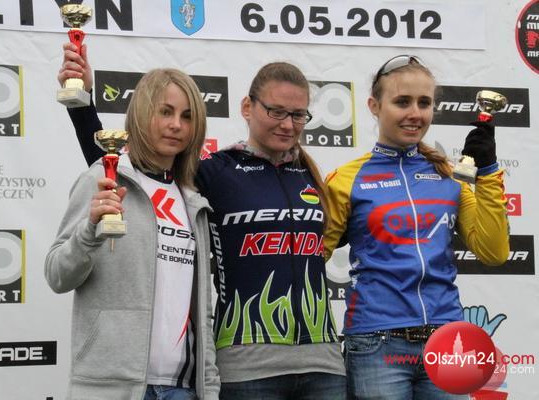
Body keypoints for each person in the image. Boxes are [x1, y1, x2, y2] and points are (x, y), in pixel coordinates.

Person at [57, 42, 346, 399]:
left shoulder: (312, 177)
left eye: (298, 115)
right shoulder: (215, 171)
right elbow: (123, 172)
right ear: (247, 107)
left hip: (323, 364)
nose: (288, 124)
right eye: (276, 111)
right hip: (248, 365)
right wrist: (82, 104)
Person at [323, 55, 510, 399]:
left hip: (447, 339)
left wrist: (487, 172)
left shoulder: (449, 176)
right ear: (374, 106)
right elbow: (311, 257)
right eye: (402, 102)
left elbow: (494, 252)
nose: (415, 113)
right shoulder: (345, 180)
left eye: (424, 103)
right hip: (376, 341)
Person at [45, 67, 220, 400]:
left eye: (187, 116)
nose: (176, 125)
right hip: (112, 386)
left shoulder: (193, 201)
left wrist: (208, 386)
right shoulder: (103, 178)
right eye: (165, 112)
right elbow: (57, 275)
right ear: (141, 113)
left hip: (182, 389)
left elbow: (202, 309)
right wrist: (89, 232)